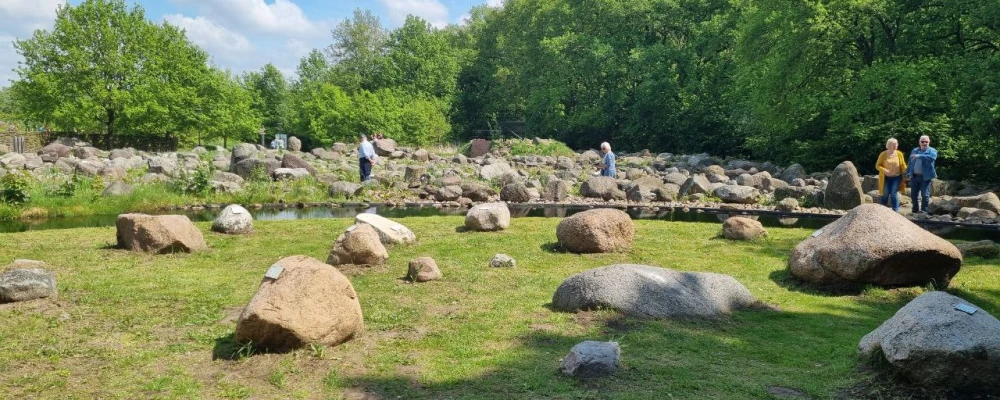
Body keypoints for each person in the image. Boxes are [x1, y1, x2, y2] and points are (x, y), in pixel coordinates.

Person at [904, 135, 937, 214]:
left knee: (925, 195)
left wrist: (920, 156)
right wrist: (908, 172)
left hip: (925, 177)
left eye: (926, 141)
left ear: (929, 142)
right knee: (913, 195)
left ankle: (924, 211)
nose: (924, 143)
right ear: (919, 142)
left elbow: (932, 158)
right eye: (922, 141)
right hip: (914, 176)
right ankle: (915, 211)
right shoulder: (914, 150)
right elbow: (910, 162)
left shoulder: (932, 150)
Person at [875, 138, 907, 212]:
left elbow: (903, 164)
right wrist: (884, 170)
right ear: (889, 145)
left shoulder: (899, 154)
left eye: (897, 144)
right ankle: (882, 210)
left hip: (897, 177)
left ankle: (895, 210)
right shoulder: (883, 154)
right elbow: (877, 165)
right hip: (886, 177)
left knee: (893, 193)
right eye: (894, 144)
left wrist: (907, 170)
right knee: (885, 193)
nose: (896, 145)